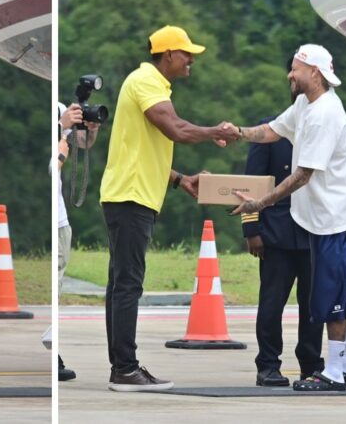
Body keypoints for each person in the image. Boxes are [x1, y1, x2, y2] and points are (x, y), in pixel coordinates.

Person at [99, 25, 240, 392]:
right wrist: (215, 131)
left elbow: (146, 150)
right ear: (167, 56)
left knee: (120, 284)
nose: (191, 59)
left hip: (130, 194)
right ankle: (125, 370)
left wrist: (180, 180)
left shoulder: (151, 83)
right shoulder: (146, 81)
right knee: (127, 284)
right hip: (131, 198)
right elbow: (176, 129)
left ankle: (122, 366)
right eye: (186, 53)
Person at [230, 44, 346, 392]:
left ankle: (334, 370)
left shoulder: (324, 114)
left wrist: (258, 204)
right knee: (340, 291)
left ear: (315, 73)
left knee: (333, 297)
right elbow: (273, 130)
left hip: (333, 219)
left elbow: (302, 175)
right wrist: (237, 132)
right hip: (319, 220)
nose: (289, 74)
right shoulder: (305, 105)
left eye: (295, 69)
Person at [242, 110, 323, 387]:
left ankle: (311, 364)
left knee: (313, 304)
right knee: (272, 303)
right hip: (277, 232)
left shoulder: (322, 126)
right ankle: (267, 365)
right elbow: (251, 183)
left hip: (313, 229)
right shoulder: (271, 129)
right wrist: (251, 229)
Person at [56, 101, 100, 381]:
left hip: (58, 217)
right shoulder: (56, 115)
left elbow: (82, 143)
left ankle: (54, 352)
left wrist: (91, 127)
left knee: (57, 287)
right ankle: (53, 354)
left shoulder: (59, 108)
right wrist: (62, 125)